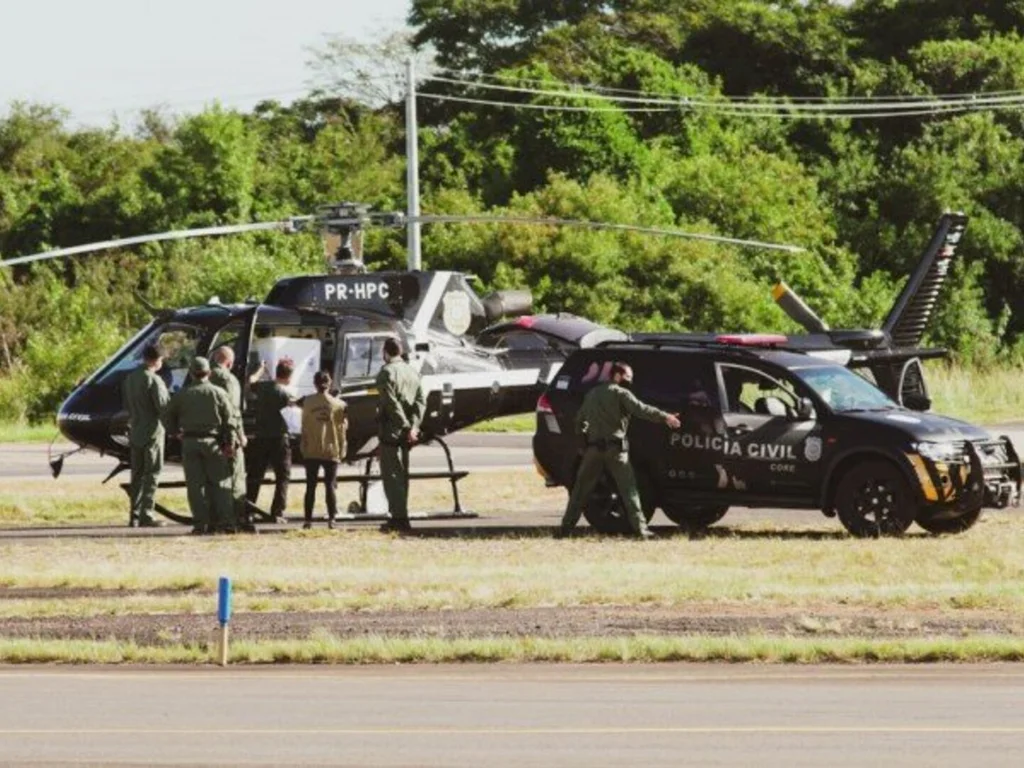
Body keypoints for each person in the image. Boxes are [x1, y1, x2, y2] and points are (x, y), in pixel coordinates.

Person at [558, 362, 682, 539]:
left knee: (580, 491)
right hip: (616, 451)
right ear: (617, 375)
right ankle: (641, 530)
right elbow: (641, 410)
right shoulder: (621, 394)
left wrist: (586, 441)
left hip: (593, 450)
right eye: (628, 377)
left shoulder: (592, 394)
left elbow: (579, 422)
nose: (630, 381)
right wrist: (666, 417)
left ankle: (565, 529)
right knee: (629, 491)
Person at [163, 356, 239, 534]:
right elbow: (230, 421)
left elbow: (166, 416)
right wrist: (230, 444)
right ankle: (225, 522)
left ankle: (200, 523)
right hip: (213, 443)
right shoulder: (219, 392)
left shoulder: (182, 394)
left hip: (189, 442)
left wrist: (176, 432)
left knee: (195, 486)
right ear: (209, 373)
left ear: (191, 373)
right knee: (220, 484)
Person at [375, 337, 425, 533]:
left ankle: (399, 517)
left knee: (392, 476)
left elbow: (390, 403)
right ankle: (400, 513)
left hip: (392, 432)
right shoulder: (413, 372)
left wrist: (404, 426)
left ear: (386, 352)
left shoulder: (386, 373)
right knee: (403, 476)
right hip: (407, 434)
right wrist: (414, 427)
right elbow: (421, 401)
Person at [122, 343, 170, 527]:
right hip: (153, 432)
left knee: (137, 474)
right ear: (157, 360)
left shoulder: (130, 379)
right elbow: (163, 408)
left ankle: (134, 514)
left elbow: (127, 405)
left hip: (136, 431)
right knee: (152, 474)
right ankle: (147, 514)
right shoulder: (154, 380)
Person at [246, 358, 296, 523]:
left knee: (255, 475)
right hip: (279, 439)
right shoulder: (284, 394)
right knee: (282, 476)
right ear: (288, 376)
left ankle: (249, 510)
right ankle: (277, 512)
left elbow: (251, 380)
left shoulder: (263, 387)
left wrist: (261, 368)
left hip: (261, 437)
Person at [299, 371, 347, 529]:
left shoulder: (307, 402)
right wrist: (342, 450)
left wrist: (303, 446)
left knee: (310, 486)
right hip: (331, 449)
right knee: (330, 485)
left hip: (311, 449)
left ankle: (308, 520)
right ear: (330, 383)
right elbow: (342, 429)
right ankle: (332, 518)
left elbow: (303, 424)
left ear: (314, 383)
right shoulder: (339, 405)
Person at [209, 345, 248, 530]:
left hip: (209, 437)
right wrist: (235, 438)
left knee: (212, 479)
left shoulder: (203, 376)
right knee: (235, 478)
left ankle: (214, 517)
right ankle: (237, 518)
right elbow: (233, 412)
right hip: (226, 436)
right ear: (229, 363)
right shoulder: (228, 380)